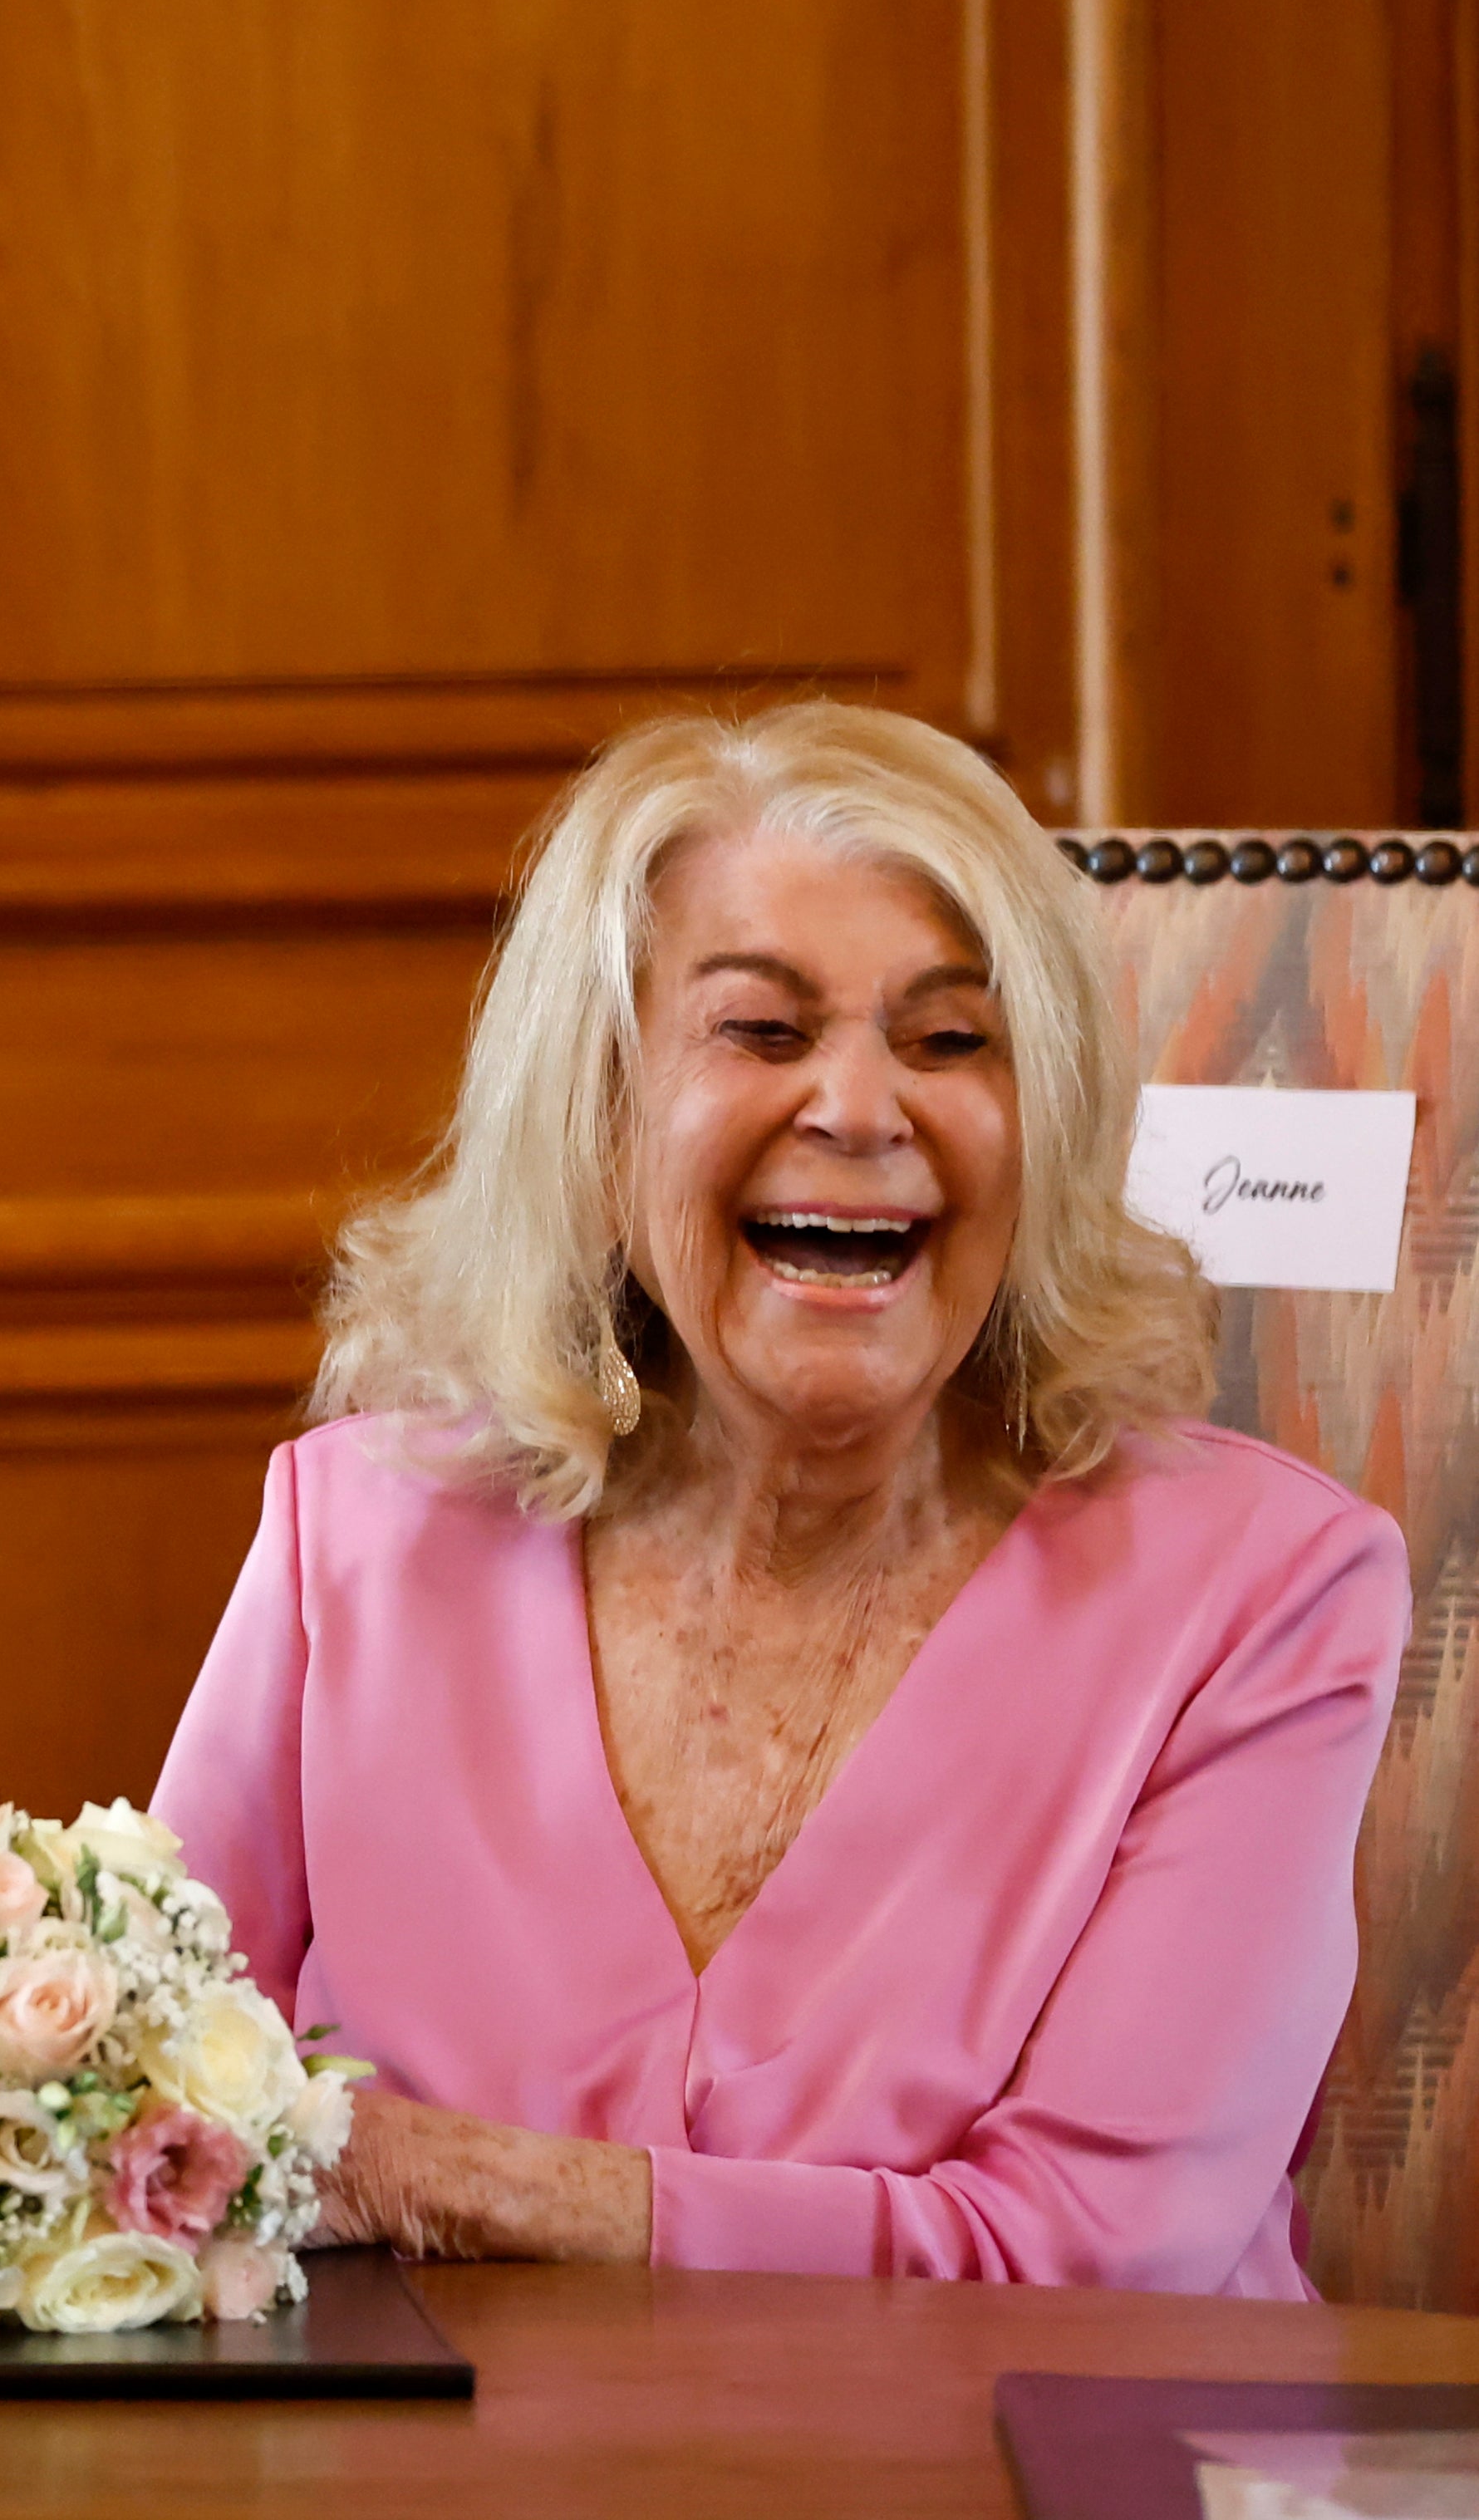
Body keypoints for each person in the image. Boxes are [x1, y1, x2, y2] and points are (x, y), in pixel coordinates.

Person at [155, 702, 1406, 2296]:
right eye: (762, 1033)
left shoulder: (1265, 1592)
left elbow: (1096, 2260)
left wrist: (453, 2180)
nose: (864, 1110)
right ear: (598, 1115)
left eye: (952, 1043)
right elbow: (143, 2099)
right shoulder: (357, 1536)